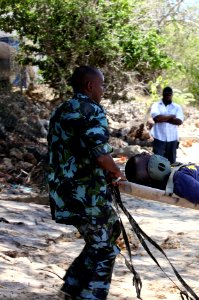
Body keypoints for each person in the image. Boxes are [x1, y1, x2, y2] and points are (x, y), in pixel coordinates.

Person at [47, 66, 126, 299]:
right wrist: (117, 173)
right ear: (90, 86)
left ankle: (71, 287)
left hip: (63, 192)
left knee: (111, 231)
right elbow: (101, 155)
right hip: (87, 194)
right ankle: (90, 296)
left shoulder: (61, 110)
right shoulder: (91, 110)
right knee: (105, 249)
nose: (103, 90)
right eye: (102, 85)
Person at [147, 86, 183, 164]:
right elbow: (156, 119)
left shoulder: (177, 107)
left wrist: (163, 118)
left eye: (169, 94)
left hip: (172, 138)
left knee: (171, 162)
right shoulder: (156, 105)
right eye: (166, 94)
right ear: (163, 94)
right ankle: (158, 176)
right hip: (159, 138)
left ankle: (170, 176)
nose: (168, 95)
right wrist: (171, 116)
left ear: (172, 95)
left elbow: (179, 121)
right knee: (158, 162)